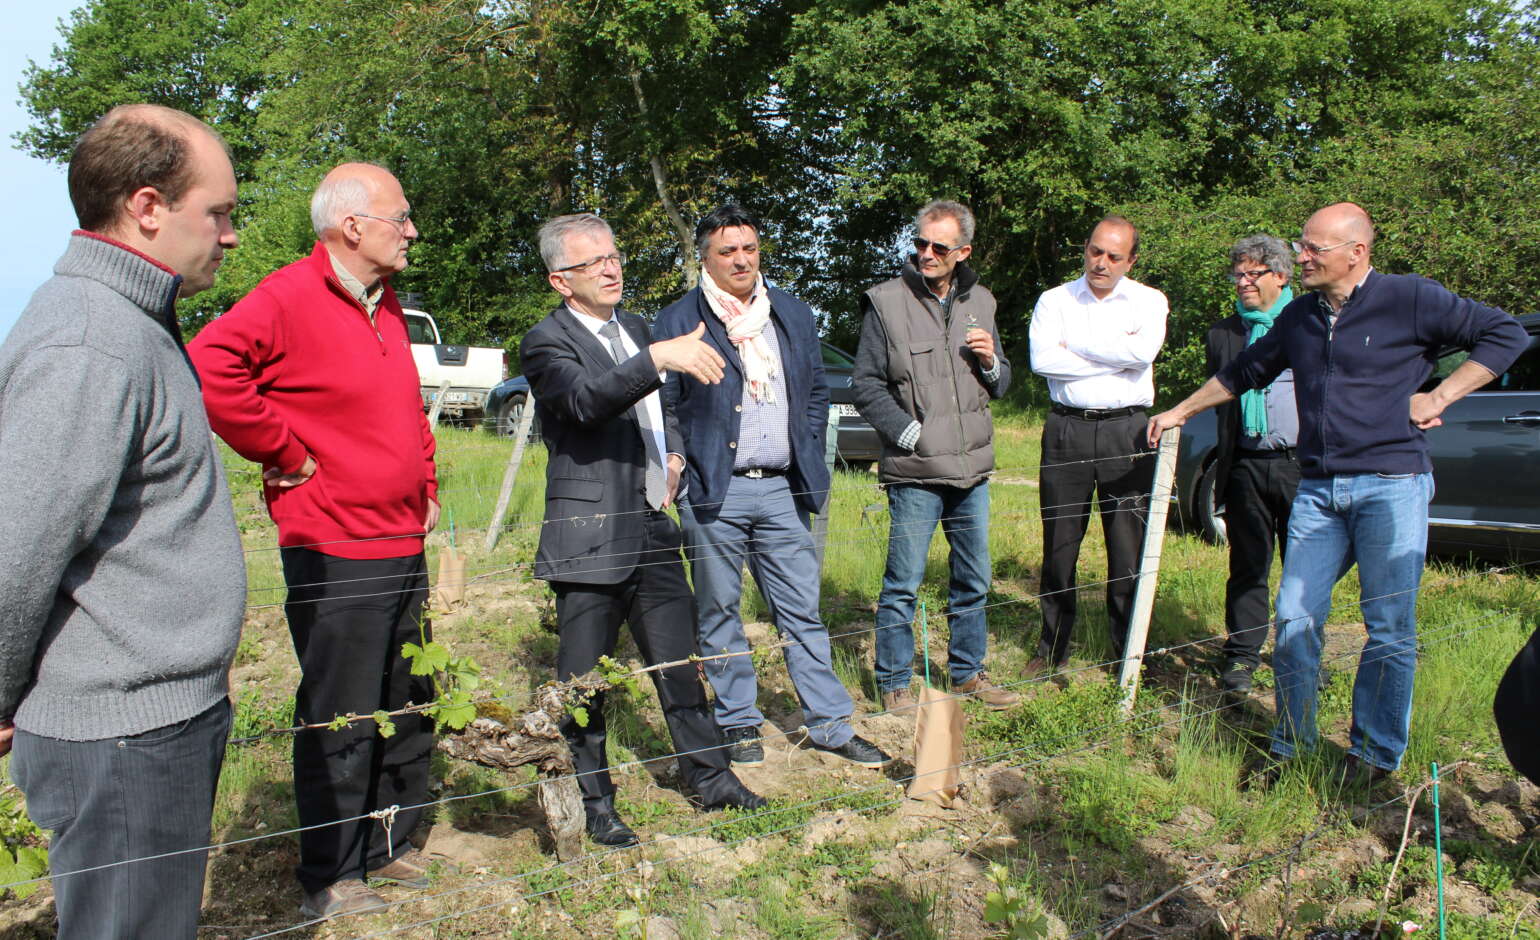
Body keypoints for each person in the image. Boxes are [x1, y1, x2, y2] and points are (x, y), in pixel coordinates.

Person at [1148, 202, 1527, 786]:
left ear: (1357, 252)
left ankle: (1373, 756)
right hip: (1319, 489)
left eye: (1314, 249)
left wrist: (1440, 396)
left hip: (1392, 484)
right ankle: (1291, 744)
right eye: (1302, 245)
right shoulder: (1299, 315)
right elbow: (1245, 371)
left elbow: (1505, 334)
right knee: (1294, 617)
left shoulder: (1411, 298)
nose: (1301, 256)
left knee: (1389, 625)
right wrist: (1180, 410)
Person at [0, 104, 245, 939]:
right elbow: (17, 548)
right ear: (148, 207)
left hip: (152, 721)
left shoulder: (136, 322)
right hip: (120, 735)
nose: (232, 234)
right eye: (219, 212)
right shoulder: (90, 341)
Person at [189, 163, 441, 918]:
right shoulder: (288, 296)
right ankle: (330, 873)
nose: (412, 231)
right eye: (401, 217)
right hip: (335, 547)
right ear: (352, 225)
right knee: (342, 708)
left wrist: (424, 484)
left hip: (401, 539)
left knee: (407, 697)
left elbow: (404, 410)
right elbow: (210, 366)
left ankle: (387, 845)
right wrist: (286, 454)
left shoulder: (385, 303)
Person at [520, 212, 767, 849]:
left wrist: (675, 451)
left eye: (613, 255)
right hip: (590, 535)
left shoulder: (632, 327)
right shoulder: (545, 343)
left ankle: (711, 779)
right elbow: (584, 402)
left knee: (681, 667)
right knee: (584, 684)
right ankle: (594, 804)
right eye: (592, 262)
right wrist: (658, 355)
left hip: (653, 525)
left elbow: (664, 408)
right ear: (559, 281)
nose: (610, 268)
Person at [655, 205, 890, 769]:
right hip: (716, 490)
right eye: (727, 250)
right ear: (705, 258)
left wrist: (807, 449)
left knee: (801, 611)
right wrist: (677, 461)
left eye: (750, 248)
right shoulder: (679, 319)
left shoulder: (790, 313)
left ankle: (830, 724)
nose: (741, 259)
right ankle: (738, 723)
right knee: (718, 612)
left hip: (784, 489)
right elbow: (667, 405)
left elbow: (812, 393)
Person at [852, 199, 1019, 711]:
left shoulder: (982, 302)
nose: (926, 253)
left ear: (962, 251)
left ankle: (968, 673)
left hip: (973, 473)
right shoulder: (885, 302)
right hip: (917, 475)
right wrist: (909, 436)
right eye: (920, 243)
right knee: (903, 583)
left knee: (973, 579)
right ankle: (895, 682)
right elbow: (865, 384)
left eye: (938, 247)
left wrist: (992, 363)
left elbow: (1004, 383)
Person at [1028, 216, 1167, 674]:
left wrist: (1077, 348)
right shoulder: (1054, 299)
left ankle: (1125, 655)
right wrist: (1113, 355)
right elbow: (1043, 359)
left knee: (1127, 547)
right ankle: (1052, 649)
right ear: (1084, 249)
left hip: (1126, 431)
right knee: (1059, 544)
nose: (1100, 263)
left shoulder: (1149, 301)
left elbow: (1141, 355)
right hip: (1066, 429)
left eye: (1113, 256)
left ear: (1131, 260)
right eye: (1094, 251)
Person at [1207, 235, 1302, 696]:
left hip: (1302, 464)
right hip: (1246, 463)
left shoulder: (1310, 323)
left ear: (1281, 276)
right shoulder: (1224, 334)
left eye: (1253, 274)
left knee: (1306, 568)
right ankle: (1241, 658)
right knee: (1248, 564)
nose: (1243, 283)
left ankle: (1301, 656)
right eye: (1237, 275)